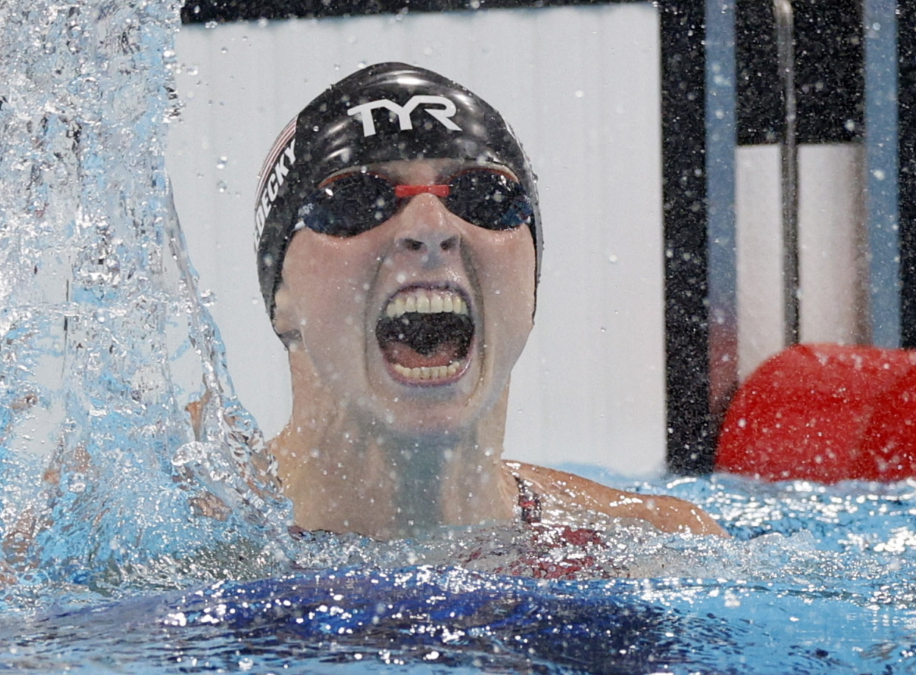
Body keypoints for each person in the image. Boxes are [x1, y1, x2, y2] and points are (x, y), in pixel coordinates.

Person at [253, 62, 726, 541]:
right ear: (281, 297)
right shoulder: (196, 543)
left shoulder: (655, 542)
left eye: (484, 195)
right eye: (356, 200)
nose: (431, 228)